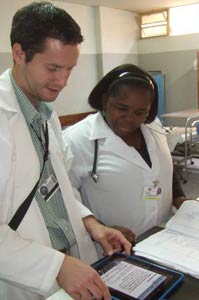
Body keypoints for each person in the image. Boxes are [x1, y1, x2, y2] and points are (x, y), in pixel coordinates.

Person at [0, 3, 131, 300]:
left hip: (69, 268)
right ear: (19, 53)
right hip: (22, 278)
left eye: (70, 68)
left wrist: (92, 224)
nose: (63, 81)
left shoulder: (47, 116)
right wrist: (55, 266)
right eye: (53, 68)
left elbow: (57, 191)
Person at [63, 63, 188, 244]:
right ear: (105, 100)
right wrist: (98, 226)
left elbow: (165, 167)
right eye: (121, 108)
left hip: (162, 238)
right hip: (113, 247)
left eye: (140, 112)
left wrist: (179, 197)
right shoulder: (76, 139)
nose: (130, 118)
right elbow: (63, 197)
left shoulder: (153, 126)